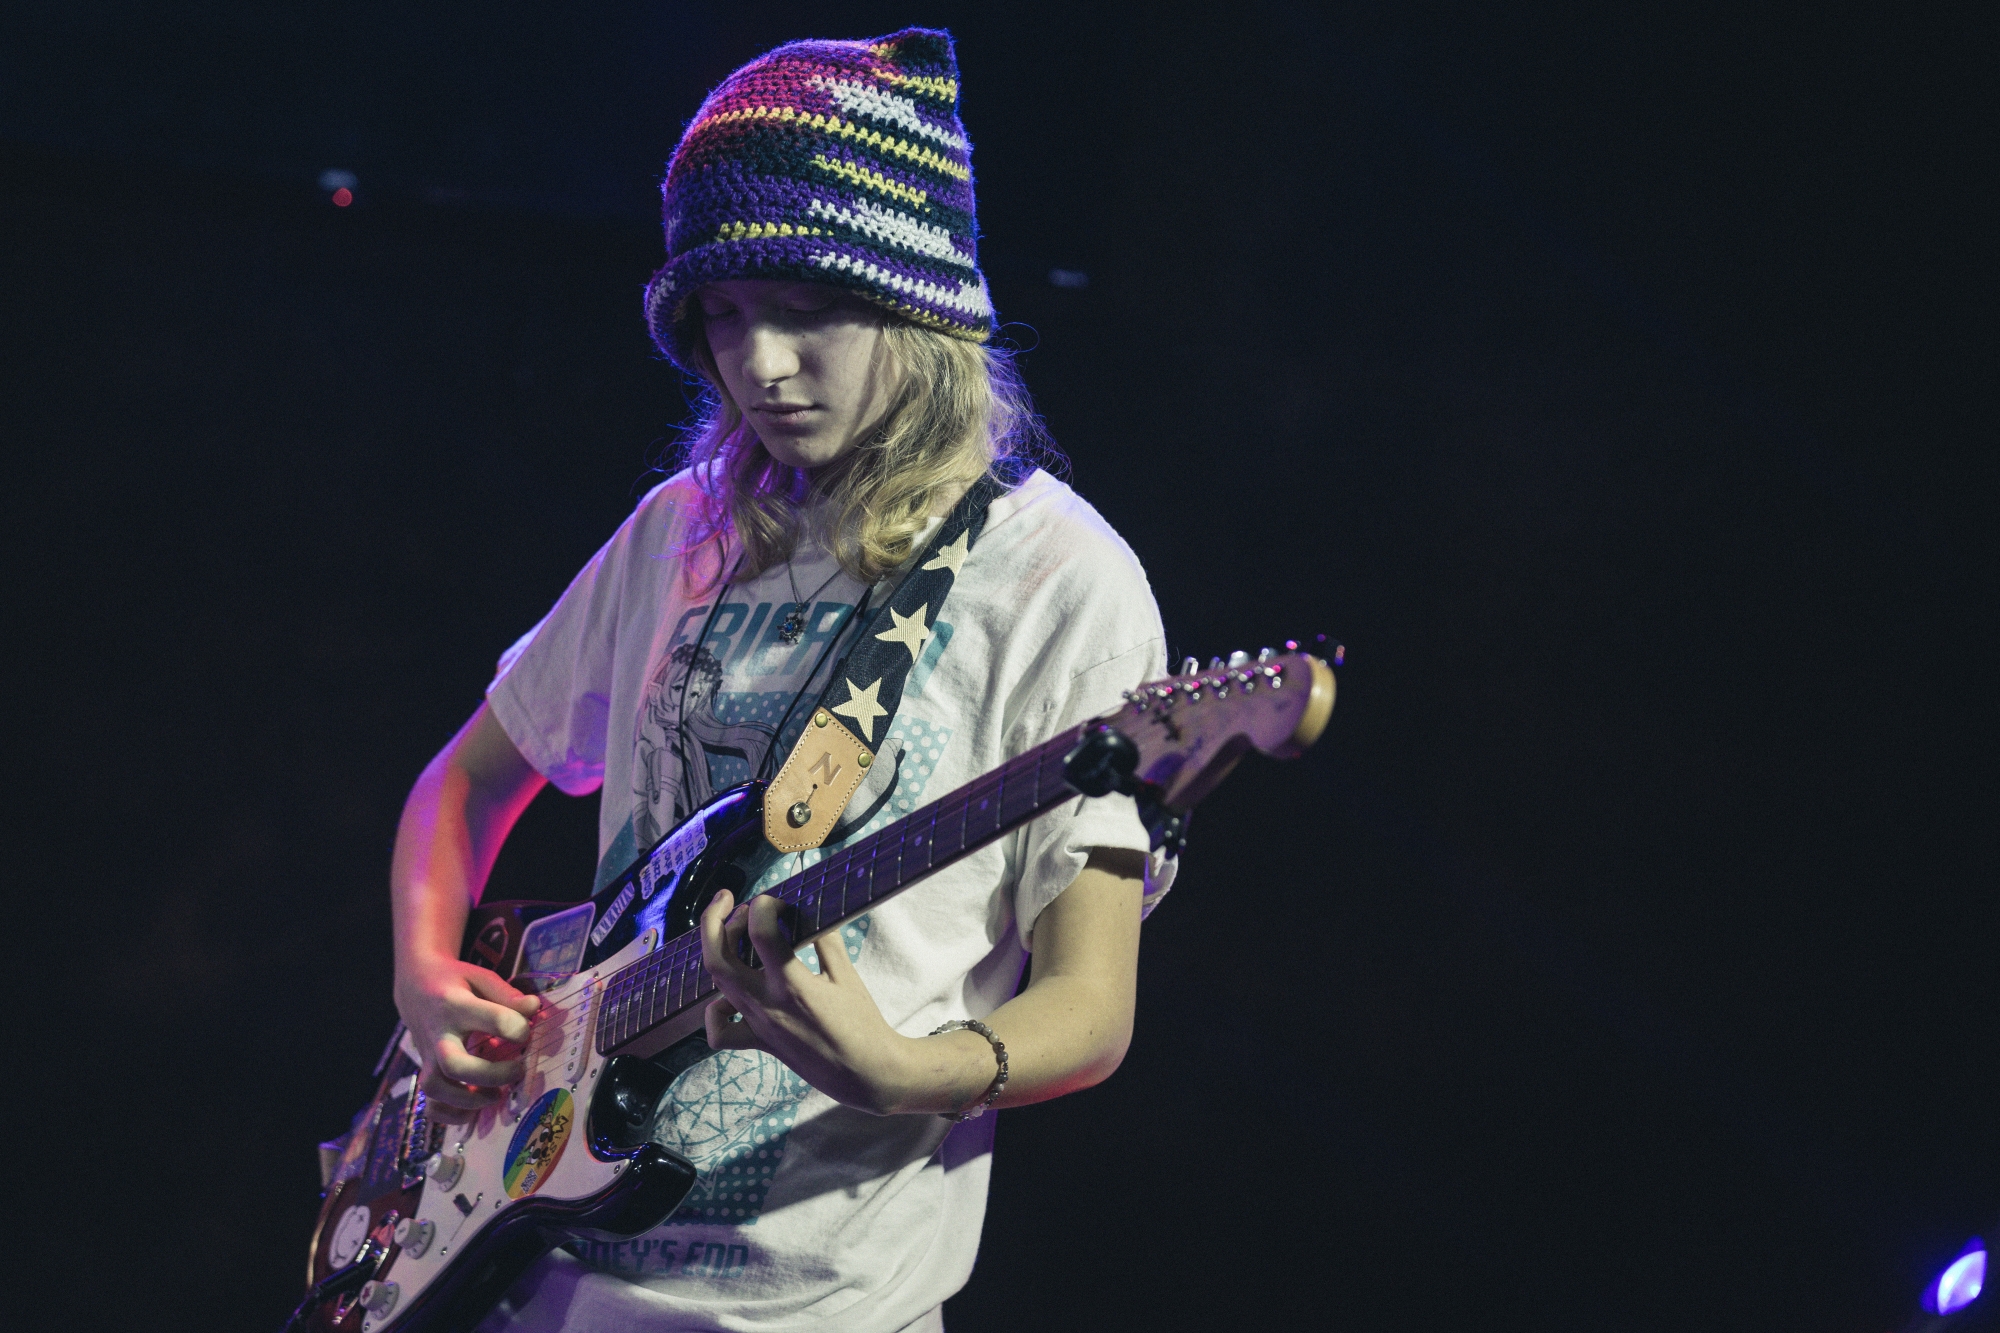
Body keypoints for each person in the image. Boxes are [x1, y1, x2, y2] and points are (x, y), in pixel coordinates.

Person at [388, 29, 1173, 1332]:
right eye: (727, 315)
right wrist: (425, 971)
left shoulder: (1062, 582)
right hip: (542, 1267)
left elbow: (1092, 1004)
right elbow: (460, 788)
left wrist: (908, 1069)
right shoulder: (676, 531)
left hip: (821, 1306)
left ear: (918, 301)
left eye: (805, 308)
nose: (760, 365)